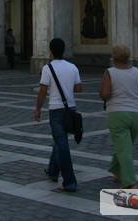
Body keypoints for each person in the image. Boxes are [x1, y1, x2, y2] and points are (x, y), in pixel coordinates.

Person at [33, 37, 82, 193]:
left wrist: (38, 109)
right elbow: (79, 89)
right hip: (70, 109)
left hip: (56, 110)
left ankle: (70, 182)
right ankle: (53, 171)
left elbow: (43, 91)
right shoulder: (73, 67)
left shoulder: (48, 68)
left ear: (51, 51)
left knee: (62, 144)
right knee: (60, 141)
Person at [99, 44, 138, 189]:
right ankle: (116, 170)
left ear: (115, 58)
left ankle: (131, 183)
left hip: (118, 114)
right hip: (137, 114)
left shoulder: (110, 72)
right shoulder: (136, 71)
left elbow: (105, 94)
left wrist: (101, 93)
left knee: (124, 149)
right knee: (125, 145)